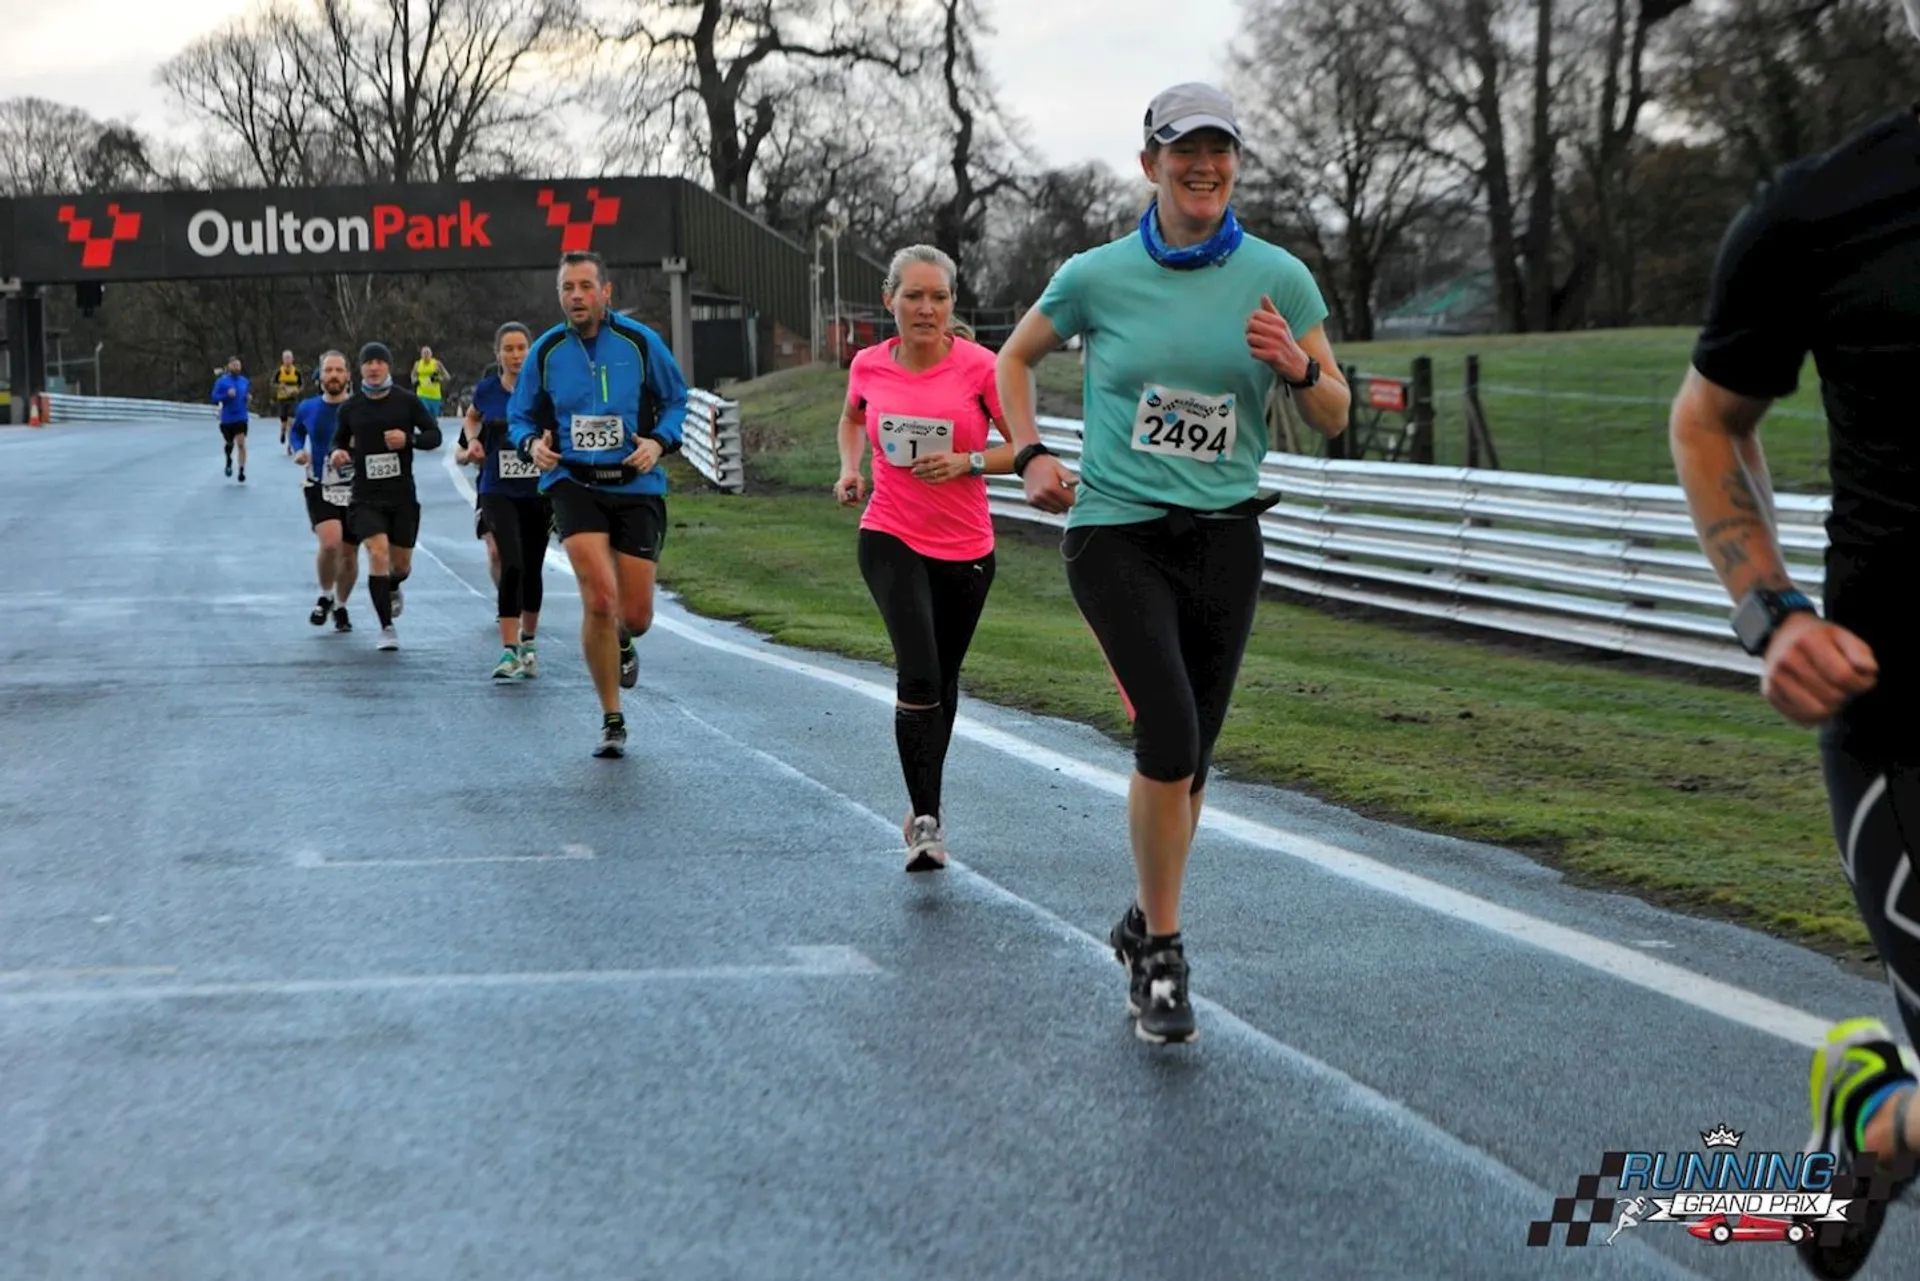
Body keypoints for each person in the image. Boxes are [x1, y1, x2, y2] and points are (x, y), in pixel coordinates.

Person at [994, 83, 1351, 1045]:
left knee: (1192, 762)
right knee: (1170, 734)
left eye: (1219, 152)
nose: (1203, 168)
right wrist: (1029, 453)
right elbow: (1011, 360)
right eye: (1182, 151)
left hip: (1227, 536)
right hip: (1116, 531)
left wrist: (1300, 367)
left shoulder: (1280, 277)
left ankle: (1139, 920)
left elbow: (1336, 413)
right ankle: (1164, 953)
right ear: (1149, 163)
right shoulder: (1095, 274)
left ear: (1235, 165)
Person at [1669, 23, 1920, 1271]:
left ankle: (1878, 1116)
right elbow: (1709, 421)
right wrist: (1771, 615)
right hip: (1905, 726)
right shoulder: (1823, 212)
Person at [835, 246, 1016, 872]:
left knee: (940, 682)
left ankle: (923, 807)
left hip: (967, 547)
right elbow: (851, 419)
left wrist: (967, 461)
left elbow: (1023, 446)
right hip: (890, 533)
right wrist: (850, 469)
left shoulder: (982, 367)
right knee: (917, 674)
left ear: (951, 304)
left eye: (938, 297)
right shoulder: (868, 365)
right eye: (913, 295)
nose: (926, 308)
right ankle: (928, 824)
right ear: (890, 301)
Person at [507, 250, 689, 759]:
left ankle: (624, 642)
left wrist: (659, 442)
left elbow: (678, 401)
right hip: (574, 484)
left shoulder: (639, 342)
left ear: (605, 293)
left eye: (586, 286)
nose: (577, 296)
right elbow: (520, 417)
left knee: (635, 615)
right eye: (568, 288)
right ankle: (612, 717)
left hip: (635, 487)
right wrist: (532, 448)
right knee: (599, 599)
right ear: (560, 295)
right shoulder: (546, 352)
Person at [327, 341, 443, 650]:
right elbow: (337, 441)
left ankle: (392, 585)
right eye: (369, 363)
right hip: (365, 496)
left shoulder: (407, 401)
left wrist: (409, 439)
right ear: (361, 369)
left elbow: (434, 436)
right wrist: (338, 453)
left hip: (402, 496)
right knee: (377, 553)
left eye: (380, 362)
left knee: (400, 565)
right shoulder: (350, 408)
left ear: (388, 367)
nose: (374, 368)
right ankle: (386, 628)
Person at [464, 322, 550, 680]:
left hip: (538, 489)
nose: (516, 356)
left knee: (531, 566)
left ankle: (528, 641)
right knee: (510, 562)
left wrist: (548, 440)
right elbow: (471, 418)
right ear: (497, 353)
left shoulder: (544, 390)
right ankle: (508, 650)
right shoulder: (486, 390)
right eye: (509, 349)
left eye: (521, 348)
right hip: (497, 488)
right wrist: (473, 442)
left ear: (530, 352)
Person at [288, 350, 359, 632]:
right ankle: (325, 595)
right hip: (319, 484)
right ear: (320, 377)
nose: (333, 376)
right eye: (328, 371)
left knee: (350, 554)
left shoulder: (358, 407)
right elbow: (296, 432)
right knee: (331, 543)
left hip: (354, 487)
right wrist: (298, 451)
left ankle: (341, 606)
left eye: (339, 370)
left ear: (348, 376)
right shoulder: (308, 407)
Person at [211, 356, 251, 482]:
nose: (236, 367)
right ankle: (229, 459)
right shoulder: (222, 382)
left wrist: (248, 398)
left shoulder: (244, 381)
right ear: (229, 366)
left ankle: (241, 470)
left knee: (241, 443)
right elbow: (214, 398)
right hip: (227, 419)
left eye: (238, 365)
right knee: (229, 443)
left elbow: (245, 395)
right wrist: (226, 395)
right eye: (234, 365)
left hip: (241, 417)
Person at [272, 350, 303, 453]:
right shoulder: (279, 372)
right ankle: (282, 432)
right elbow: (272, 383)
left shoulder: (297, 372)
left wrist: (296, 391)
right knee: (284, 424)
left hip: (292, 400)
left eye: (289, 358)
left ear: (292, 359)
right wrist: (279, 386)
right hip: (282, 400)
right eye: (285, 358)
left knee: (291, 422)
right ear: (283, 360)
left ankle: (290, 446)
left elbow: (301, 385)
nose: (287, 360)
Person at [413, 346, 449, 419]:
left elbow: (447, 376)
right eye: (424, 353)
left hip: (435, 396)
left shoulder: (436, 364)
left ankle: (432, 428)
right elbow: (413, 375)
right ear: (421, 355)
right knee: (424, 415)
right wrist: (415, 381)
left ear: (431, 354)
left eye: (428, 353)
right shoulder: (417, 364)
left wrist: (436, 379)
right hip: (422, 394)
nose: (426, 355)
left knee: (433, 419)